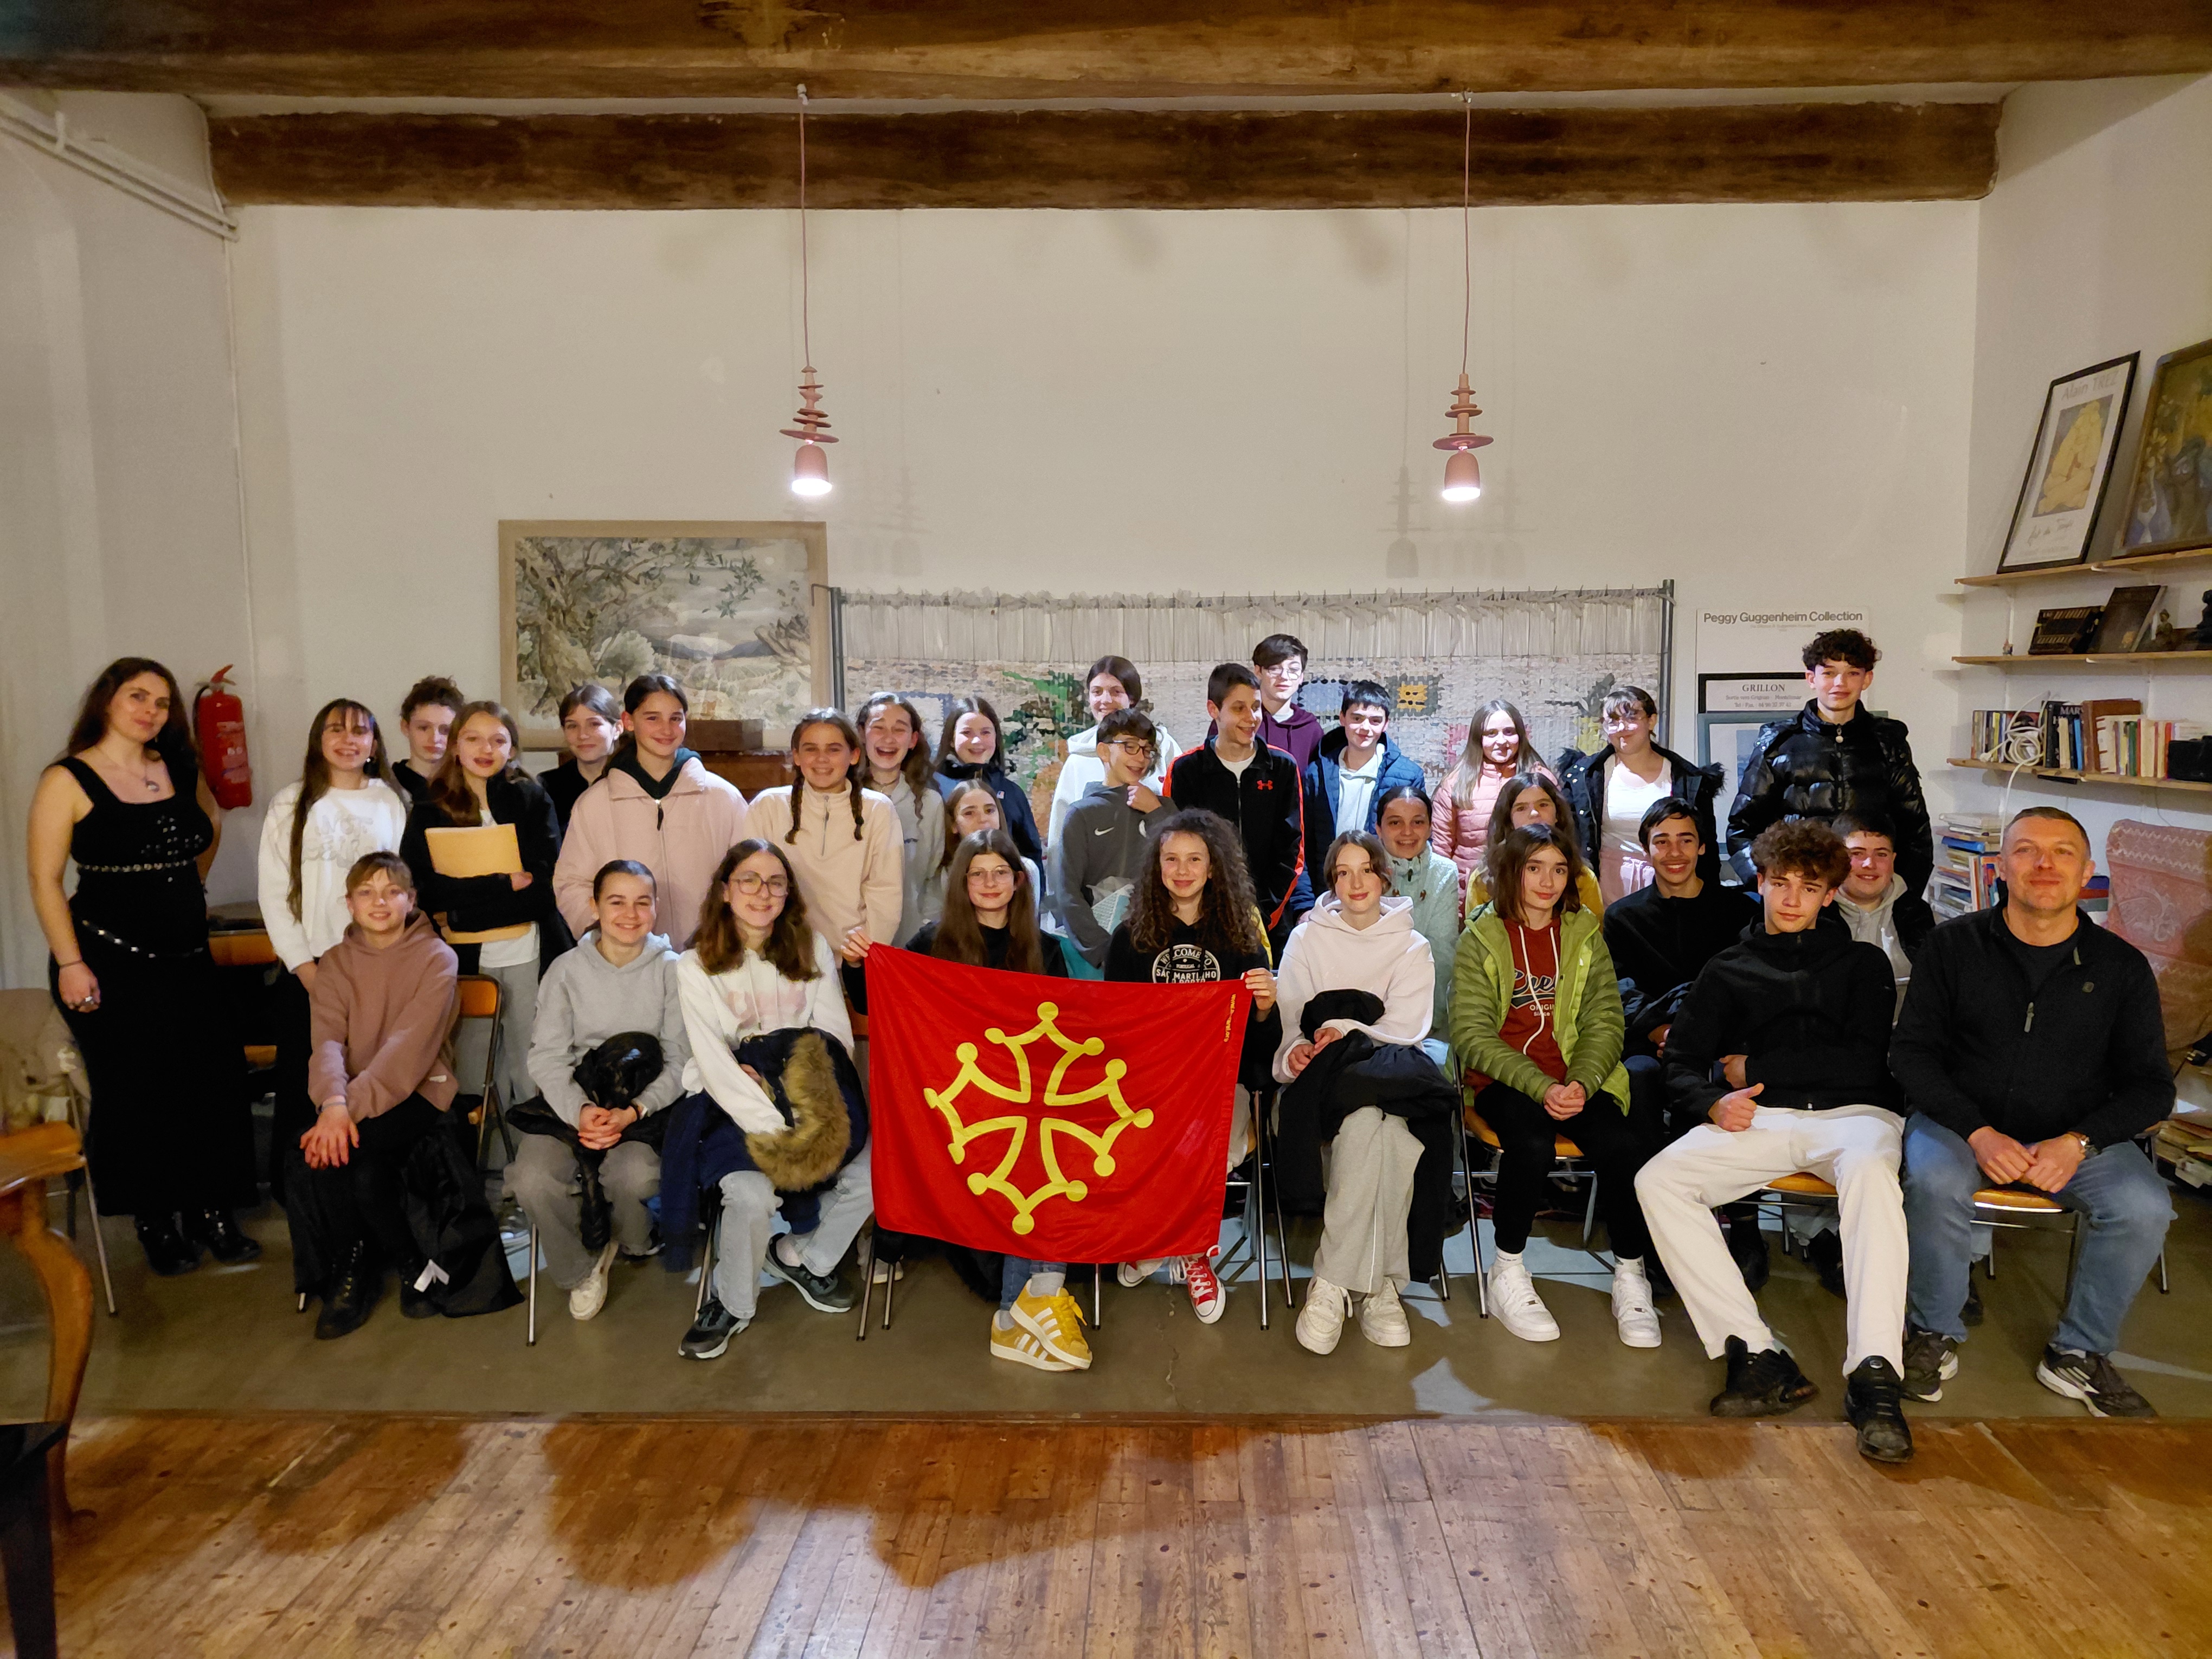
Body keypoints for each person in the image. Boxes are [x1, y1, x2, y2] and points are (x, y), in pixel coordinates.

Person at [1635, 820, 1913, 1464]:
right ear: (1759, 882)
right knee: (1660, 1180)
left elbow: (1862, 1062)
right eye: (1780, 883)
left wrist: (1751, 1068)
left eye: (1809, 888)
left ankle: (1875, 1375)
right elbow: (1682, 1062)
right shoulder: (1728, 968)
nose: (1792, 899)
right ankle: (1756, 1353)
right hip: (1764, 1119)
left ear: (1829, 896)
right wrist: (1712, 1101)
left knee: (1872, 1176)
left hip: (1856, 1117)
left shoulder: (1862, 964)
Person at [1894, 808, 2175, 1419]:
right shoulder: (1952, 946)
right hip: (1961, 1126)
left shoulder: (2121, 967)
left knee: (2145, 1207)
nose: (2045, 865)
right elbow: (1911, 1056)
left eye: (2062, 852)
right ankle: (1932, 1332)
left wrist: (2079, 1141)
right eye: (2026, 851)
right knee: (1935, 1181)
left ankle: (2078, 1352)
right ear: (2000, 867)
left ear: (2087, 872)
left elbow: (2153, 1088)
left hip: (2074, 1139)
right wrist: (1978, 1132)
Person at [27, 657, 258, 1275]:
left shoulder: (177, 765)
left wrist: (189, 890)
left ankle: (212, 1211)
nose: (150, 711)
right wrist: (70, 962)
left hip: (186, 957)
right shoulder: (67, 778)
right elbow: (45, 880)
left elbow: (207, 827)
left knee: (212, 1080)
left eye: (161, 702)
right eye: (137, 697)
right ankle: (155, 1220)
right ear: (106, 700)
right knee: (137, 1092)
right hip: (106, 959)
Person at [1453, 824, 1658, 1348]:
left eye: (1560, 870)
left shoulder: (1584, 932)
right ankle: (1508, 1267)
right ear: (1513, 872)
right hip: (1506, 1080)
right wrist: (1540, 1086)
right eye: (1535, 868)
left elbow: (1606, 1019)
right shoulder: (1481, 936)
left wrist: (1583, 1082)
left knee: (1623, 1145)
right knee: (1532, 1144)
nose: (1548, 882)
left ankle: (1631, 1272)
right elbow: (1472, 1034)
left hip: (1575, 1079)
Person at [674, 840, 872, 1359]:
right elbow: (715, 1060)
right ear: (725, 890)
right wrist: (776, 1126)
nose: (762, 893)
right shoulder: (693, 964)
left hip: (811, 1090)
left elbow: (834, 1038)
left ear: (788, 894)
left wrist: (806, 1110)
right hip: (732, 1101)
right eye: (749, 880)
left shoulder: (813, 949)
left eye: (775, 882)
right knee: (750, 1193)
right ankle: (731, 1303)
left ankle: (801, 1257)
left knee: (877, 1172)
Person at [909, 831, 1092, 1369]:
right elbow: (880, 1001)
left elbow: (1066, 1042)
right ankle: (1028, 1307)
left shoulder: (1047, 950)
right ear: (963, 884)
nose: (990, 883)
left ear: (1019, 881)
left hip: (1027, 1101)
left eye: (1000, 873)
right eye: (978, 874)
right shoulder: (931, 944)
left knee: (1055, 1151)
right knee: (1037, 1155)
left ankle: (1021, 1312)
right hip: (958, 1106)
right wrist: (857, 965)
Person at [1277, 832, 1451, 1356]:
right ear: (1332, 882)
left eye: (1366, 870)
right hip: (1319, 1088)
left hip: (1388, 1081)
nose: (1356, 883)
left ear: (1384, 876)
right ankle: (1380, 1288)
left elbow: (1407, 1028)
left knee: (1376, 1127)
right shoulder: (1306, 939)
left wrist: (1345, 1029)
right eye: (1343, 872)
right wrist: (1297, 1053)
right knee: (1374, 1126)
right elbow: (1289, 1025)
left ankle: (1335, 1282)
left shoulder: (1411, 945)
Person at [1103, 808, 1281, 1322]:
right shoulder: (1129, 939)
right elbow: (1113, 1035)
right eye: (1172, 859)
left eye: (1195, 860)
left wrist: (1265, 1009)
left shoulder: (1242, 940)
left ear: (1213, 867)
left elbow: (1261, 1050)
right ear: (1157, 867)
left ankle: (1180, 1248)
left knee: (1206, 1142)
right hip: (1148, 1089)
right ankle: (1183, 1245)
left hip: (1221, 1087)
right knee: (1151, 1137)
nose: (1182, 871)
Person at [1600, 800, 1766, 1284]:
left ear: (1703, 848)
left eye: (1686, 840)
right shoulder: (1622, 917)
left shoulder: (1740, 911)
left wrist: (1696, 1038)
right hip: (1651, 1041)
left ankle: (1745, 1225)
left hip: (1718, 1043)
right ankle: (1654, 1231)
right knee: (1638, 1080)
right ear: (1646, 850)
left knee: (1733, 1077)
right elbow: (1618, 991)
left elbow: (1748, 987)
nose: (1675, 853)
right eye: (1663, 842)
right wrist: (1662, 1031)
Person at [516, 860, 688, 1322]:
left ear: (656, 908)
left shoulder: (674, 971)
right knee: (532, 1179)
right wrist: (580, 1111)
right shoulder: (565, 970)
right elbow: (547, 1057)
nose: (630, 914)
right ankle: (580, 1268)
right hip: (575, 1100)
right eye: (617, 902)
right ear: (594, 907)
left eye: (642, 902)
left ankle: (634, 1240)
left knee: (635, 1177)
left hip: (645, 1104)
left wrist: (634, 1110)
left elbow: (681, 1060)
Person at [299, 852, 461, 1339]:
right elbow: (327, 1042)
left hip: (419, 1091)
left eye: (393, 892)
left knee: (340, 1153)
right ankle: (388, 1266)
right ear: (349, 904)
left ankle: (366, 1269)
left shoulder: (437, 958)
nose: (380, 902)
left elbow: (405, 1054)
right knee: (355, 1168)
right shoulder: (335, 963)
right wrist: (332, 1103)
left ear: (411, 900)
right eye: (367, 892)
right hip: (350, 1096)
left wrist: (342, 1111)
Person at [256, 699, 410, 1197]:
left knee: (364, 1079)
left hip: (377, 964)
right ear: (318, 741)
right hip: (313, 966)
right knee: (306, 1080)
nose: (348, 740)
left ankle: (356, 1193)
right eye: (335, 730)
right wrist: (305, 968)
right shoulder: (291, 803)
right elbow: (275, 894)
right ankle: (300, 1194)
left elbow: (402, 887)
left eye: (359, 731)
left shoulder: (393, 801)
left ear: (374, 743)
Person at [401, 700, 571, 1110]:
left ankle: (534, 1150)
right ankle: (486, 1151)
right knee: (475, 1071)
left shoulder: (532, 799)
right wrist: (502, 883)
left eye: (498, 740)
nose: (486, 749)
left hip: (528, 948)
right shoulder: (429, 806)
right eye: (473, 739)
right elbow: (424, 890)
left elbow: (545, 890)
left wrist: (463, 913)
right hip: (461, 955)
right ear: (455, 746)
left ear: (512, 749)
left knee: (530, 1066)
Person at [1725, 628, 1933, 895]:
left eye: (1852, 673)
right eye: (1829, 673)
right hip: (1801, 895)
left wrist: (1904, 896)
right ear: (1811, 678)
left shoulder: (1888, 741)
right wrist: (1769, 888)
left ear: (1867, 679)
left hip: (1870, 898)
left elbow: (1915, 831)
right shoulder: (1778, 743)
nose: (1840, 683)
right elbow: (1742, 829)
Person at [553, 673, 748, 953]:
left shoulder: (722, 797)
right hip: (630, 958)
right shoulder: (595, 804)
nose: (666, 729)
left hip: (712, 955)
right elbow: (572, 884)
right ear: (629, 721)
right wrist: (612, 938)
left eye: (675, 718)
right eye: (652, 718)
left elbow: (749, 874)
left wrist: (730, 936)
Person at [742, 709, 902, 1012]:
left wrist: (860, 958)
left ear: (854, 755)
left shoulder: (878, 811)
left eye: (834, 749)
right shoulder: (767, 807)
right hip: (779, 961)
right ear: (796, 756)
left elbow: (885, 893)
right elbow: (747, 885)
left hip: (853, 965)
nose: (822, 759)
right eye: (811, 749)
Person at [1165, 663, 1309, 950]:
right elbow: (1175, 847)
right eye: (1239, 708)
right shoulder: (1186, 770)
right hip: (1202, 920)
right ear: (1214, 710)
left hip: (1269, 921)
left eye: (1256, 707)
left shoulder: (1282, 767)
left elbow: (1292, 849)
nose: (1251, 718)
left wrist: (1263, 914)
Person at [1559, 685, 1723, 902]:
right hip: (1604, 885)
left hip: (1671, 882)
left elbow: (1708, 848)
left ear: (1651, 721)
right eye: (1613, 720)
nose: (1621, 727)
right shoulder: (1584, 777)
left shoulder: (1688, 778)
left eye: (1631, 718)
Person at [1050, 708, 1165, 974]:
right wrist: (1105, 952)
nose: (1141, 758)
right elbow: (1068, 893)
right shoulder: (1082, 814)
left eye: (1147, 750)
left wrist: (1156, 812)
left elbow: (1182, 865)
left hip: (1157, 947)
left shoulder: (1163, 808)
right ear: (1103, 751)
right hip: (1099, 954)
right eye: (1130, 746)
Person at [1431, 699, 1557, 904]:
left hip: (1530, 892)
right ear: (1478, 738)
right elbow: (1441, 851)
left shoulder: (1541, 779)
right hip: (1471, 895)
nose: (1501, 741)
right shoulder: (1456, 783)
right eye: (1491, 733)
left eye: (1509, 732)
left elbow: (1558, 838)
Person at [1303, 680, 1425, 888]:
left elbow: (1419, 843)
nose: (1365, 728)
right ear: (1342, 718)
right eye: (1357, 718)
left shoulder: (1409, 776)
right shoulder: (1316, 775)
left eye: (1375, 721)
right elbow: (1304, 844)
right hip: (1329, 888)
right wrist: (1306, 901)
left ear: (1386, 724)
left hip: (1386, 889)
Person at [1046, 655, 1175, 848]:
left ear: (1132, 698)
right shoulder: (1078, 760)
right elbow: (1060, 833)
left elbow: (1182, 814)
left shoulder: (1163, 746)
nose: (1105, 700)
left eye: (1116, 692)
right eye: (1097, 692)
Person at [1372, 785, 1461, 1053]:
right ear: (1378, 829)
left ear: (1431, 827)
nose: (1407, 832)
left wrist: (1429, 1023)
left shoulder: (1445, 872)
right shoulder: (1365, 870)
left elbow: (1442, 954)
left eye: (1418, 822)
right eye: (1395, 823)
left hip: (1431, 1017)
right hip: (1372, 1012)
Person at [857, 692, 947, 942]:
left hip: (908, 940)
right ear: (862, 734)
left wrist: (925, 931)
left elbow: (933, 879)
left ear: (913, 740)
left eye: (899, 730)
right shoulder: (843, 798)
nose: (888, 739)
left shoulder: (930, 804)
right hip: (850, 940)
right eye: (879, 728)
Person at [1832, 811, 1934, 1018]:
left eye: (1881, 854)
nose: (1869, 864)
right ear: (1837, 859)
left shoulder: (1916, 915)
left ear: (1893, 860)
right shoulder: (1819, 915)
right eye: (1857, 853)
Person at [1461, 775, 1605, 918]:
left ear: (1558, 814)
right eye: (1521, 808)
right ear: (1509, 820)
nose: (1534, 814)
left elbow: (1594, 930)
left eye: (1543, 805)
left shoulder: (1582, 878)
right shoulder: (1484, 879)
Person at [934, 696, 1044, 867]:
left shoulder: (1012, 793)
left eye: (985, 733)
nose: (977, 741)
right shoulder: (933, 788)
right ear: (951, 739)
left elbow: (1031, 855)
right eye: (967, 733)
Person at [938, 780, 1045, 914]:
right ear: (954, 824)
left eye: (989, 811)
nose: (983, 819)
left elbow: (1028, 921)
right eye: (969, 813)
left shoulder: (1027, 869)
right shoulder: (944, 875)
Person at [541, 683, 623, 833]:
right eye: (573, 726)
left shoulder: (635, 781)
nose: (582, 735)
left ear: (617, 729)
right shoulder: (547, 787)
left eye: (594, 724)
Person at [1252, 634, 1324, 774]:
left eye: (1293, 670)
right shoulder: (1241, 720)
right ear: (1258, 671)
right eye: (1274, 668)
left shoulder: (1311, 730)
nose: (1284, 677)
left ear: (1301, 677)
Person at [390, 675, 465, 804]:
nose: (435, 739)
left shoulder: (468, 786)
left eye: (445, 730)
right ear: (406, 727)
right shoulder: (388, 785)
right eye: (424, 728)